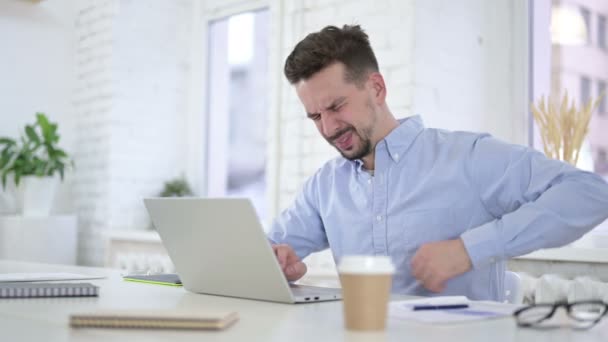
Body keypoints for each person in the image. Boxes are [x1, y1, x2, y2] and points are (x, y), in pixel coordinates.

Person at [267, 24, 608, 301]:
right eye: (314, 116)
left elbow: (590, 193)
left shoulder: (468, 157)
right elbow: (267, 249)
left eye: (336, 106)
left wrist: (469, 249)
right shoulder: (325, 186)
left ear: (377, 88)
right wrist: (276, 263)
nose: (327, 128)